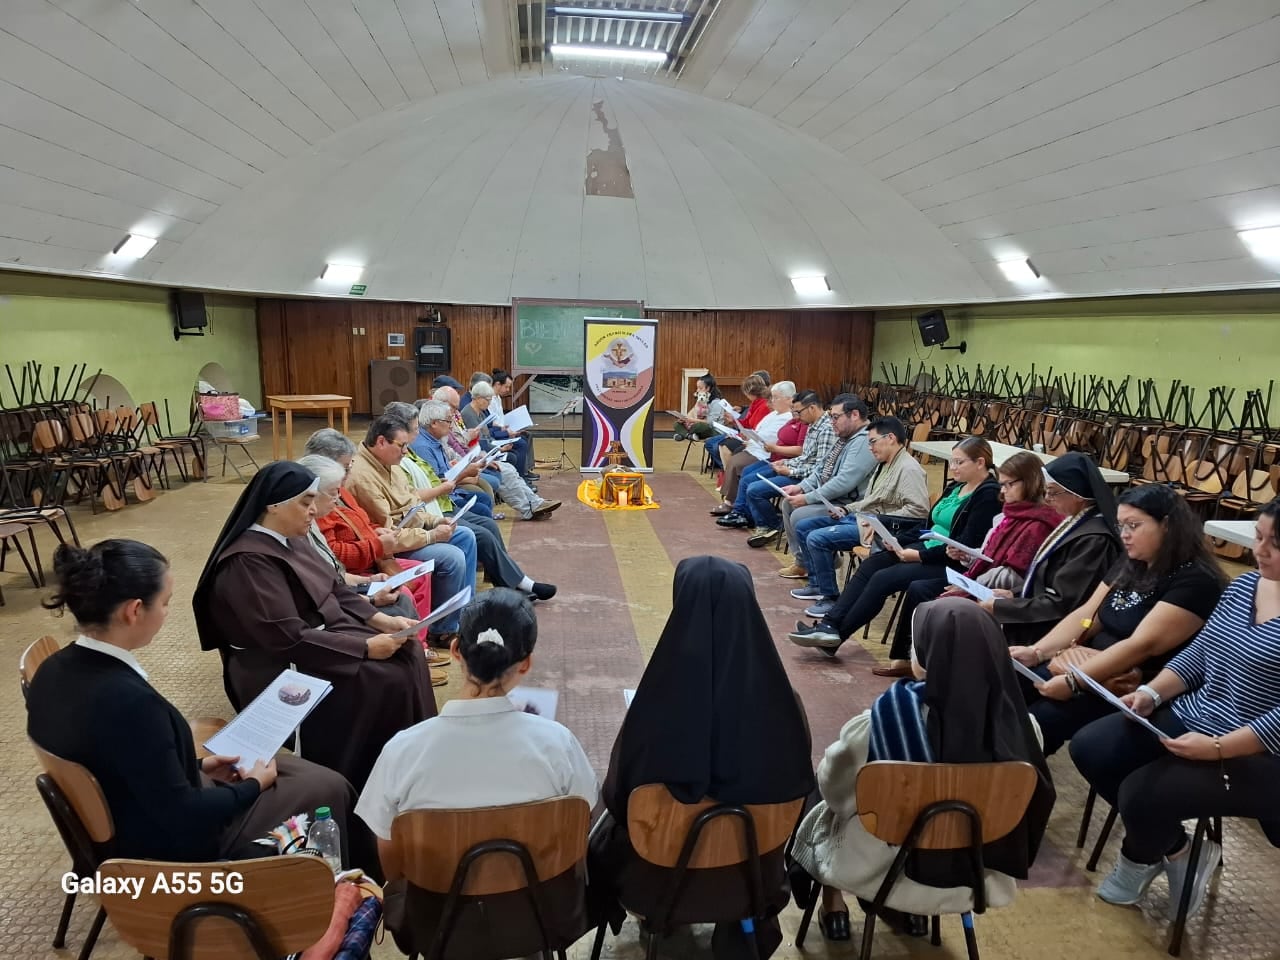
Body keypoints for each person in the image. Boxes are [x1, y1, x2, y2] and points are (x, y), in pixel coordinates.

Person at [27, 539, 363, 865]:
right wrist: (251, 786)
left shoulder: (52, 670)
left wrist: (197, 766)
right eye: (165, 602)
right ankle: (338, 894)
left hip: (131, 813)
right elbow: (186, 814)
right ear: (133, 610)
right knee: (329, 788)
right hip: (171, 845)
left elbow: (120, 761)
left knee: (295, 770)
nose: (167, 612)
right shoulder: (128, 703)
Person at [589, 556, 815, 960]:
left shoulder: (654, 706)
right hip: (752, 877)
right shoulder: (784, 704)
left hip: (655, 879)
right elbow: (799, 791)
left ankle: (660, 919)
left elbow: (621, 798)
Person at [790, 599, 1054, 938]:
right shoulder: (1024, 727)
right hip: (973, 874)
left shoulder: (879, 722)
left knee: (822, 789)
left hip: (878, 870)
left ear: (927, 658)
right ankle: (906, 914)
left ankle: (834, 904)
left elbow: (838, 796)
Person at [1070, 497, 1280, 920]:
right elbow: (1202, 652)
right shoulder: (1246, 586)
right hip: (1199, 714)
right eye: (1258, 537)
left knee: (1142, 792)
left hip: (1259, 749)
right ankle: (1178, 850)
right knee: (1093, 747)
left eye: (1274, 544)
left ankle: (1137, 858)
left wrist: (1219, 747)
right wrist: (1152, 693)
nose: (1258, 550)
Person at [357, 588, 597, 952]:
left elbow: (394, 865)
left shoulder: (403, 750)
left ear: (456, 650)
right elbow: (581, 828)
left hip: (436, 921)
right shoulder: (557, 743)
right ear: (526, 662)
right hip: (540, 915)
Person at [193, 462, 435, 791]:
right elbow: (284, 636)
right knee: (387, 677)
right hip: (276, 663)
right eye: (305, 503)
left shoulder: (292, 538)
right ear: (274, 505)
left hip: (319, 637)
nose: (312, 512)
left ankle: (411, 763)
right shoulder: (247, 561)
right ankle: (366, 777)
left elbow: (334, 587)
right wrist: (364, 647)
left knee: (406, 652)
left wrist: (380, 619)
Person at [1015, 484, 1226, 755]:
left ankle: (1018, 783)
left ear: (1167, 525)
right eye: (1121, 526)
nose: (1124, 535)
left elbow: (1141, 645)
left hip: (1130, 685)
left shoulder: (1196, 581)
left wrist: (1073, 682)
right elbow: (1087, 615)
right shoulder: (1133, 561)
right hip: (1087, 665)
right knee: (1008, 685)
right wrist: (1037, 651)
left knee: (1038, 721)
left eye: (1134, 526)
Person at [869, 451, 1062, 672]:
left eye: (1008, 485)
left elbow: (1016, 574)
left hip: (1002, 592)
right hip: (979, 578)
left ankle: (928, 667)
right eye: (1001, 485)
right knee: (898, 578)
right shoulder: (1009, 514)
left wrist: (969, 582)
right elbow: (988, 553)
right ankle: (909, 661)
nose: (1002, 491)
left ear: (1029, 482)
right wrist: (967, 555)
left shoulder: (1037, 523)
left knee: (921, 591)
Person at [786, 418, 945, 653]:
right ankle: (829, 625)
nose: (870, 448)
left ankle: (828, 599)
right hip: (866, 519)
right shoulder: (884, 464)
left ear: (890, 438)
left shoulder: (909, 468)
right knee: (805, 525)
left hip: (883, 527)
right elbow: (870, 501)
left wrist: (875, 519)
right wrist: (846, 509)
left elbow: (918, 512)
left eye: (873, 442)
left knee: (818, 538)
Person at [382, 402, 557, 601]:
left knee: (487, 519)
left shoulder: (414, 448)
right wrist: (460, 476)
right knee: (478, 529)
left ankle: (507, 581)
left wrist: (462, 471)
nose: (417, 432)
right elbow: (414, 498)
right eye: (414, 428)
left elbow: (435, 476)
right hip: (432, 511)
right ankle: (511, 584)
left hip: (441, 503)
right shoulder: (415, 448)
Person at [345, 414, 478, 641]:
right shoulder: (362, 477)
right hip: (391, 547)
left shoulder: (391, 464)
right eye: (402, 445)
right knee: (452, 556)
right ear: (381, 442)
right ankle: (443, 630)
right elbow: (389, 532)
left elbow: (412, 506)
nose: (406, 451)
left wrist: (435, 521)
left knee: (465, 535)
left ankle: (461, 614)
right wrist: (430, 536)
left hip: (408, 533)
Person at [983, 452, 1122, 647]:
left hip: (1053, 630)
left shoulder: (1094, 540)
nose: (1047, 498)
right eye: (1046, 491)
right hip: (1040, 613)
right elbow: (1047, 579)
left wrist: (1004, 608)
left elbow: (1064, 602)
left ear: (1078, 494)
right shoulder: (1075, 521)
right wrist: (1015, 593)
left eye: (1053, 492)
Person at [297, 454, 424, 621]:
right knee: (402, 599)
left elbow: (335, 572)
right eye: (345, 467)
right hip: (350, 580)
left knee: (413, 583)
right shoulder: (310, 523)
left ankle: (422, 639)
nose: (349, 473)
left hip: (358, 574)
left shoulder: (315, 520)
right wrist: (371, 599)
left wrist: (367, 579)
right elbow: (329, 579)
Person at [777, 396, 876, 578]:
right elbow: (821, 468)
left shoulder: (864, 441)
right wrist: (801, 487)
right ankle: (804, 561)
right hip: (832, 499)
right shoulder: (845, 437)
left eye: (836, 417)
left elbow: (844, 481)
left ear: (854, 415)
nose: (832, 422)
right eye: (831, 416)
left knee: (800, 514)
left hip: (849, 506)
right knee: (788, 504)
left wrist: (807, 497)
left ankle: (817, 566)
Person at [738, 391, 835, 546]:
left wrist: (791, 471)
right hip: (796, 469)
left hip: (804, 479)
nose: (795, 415)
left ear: (812, 408)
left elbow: (820, 469)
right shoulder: (812, 424)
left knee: (755, 490)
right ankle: (766, 523)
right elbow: (806, 457)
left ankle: (772, 526)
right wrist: (785, 463)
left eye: (798, 411)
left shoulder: (826, 429)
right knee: (749, 479)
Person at [710, 381, 802, 516]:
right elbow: (758, 429)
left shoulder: (789, 417)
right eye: (772, 397)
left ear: (789, 399)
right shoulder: (774, 414)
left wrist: (756, 440)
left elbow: (774, 439)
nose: (772, 401)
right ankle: (738, 507)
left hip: (768, 454)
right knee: (735, 460)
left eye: (776, 398)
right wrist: (749, 436)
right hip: (762, 450)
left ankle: (737, 508)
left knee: (739, 466)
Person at [705, 374, 770, 473]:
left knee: (725, 446)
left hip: (753, 440)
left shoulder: (763, 405)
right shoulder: (755, 403)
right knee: (720, 444)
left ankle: (729, 474)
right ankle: (728, 474)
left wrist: (737, 426)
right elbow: (747, 422)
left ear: (748, 391)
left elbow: (756, 428)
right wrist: (734, 421)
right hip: (746, 435)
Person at [491, 369, 539, 480]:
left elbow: (501, 419)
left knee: (527, 435)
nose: (508, 390)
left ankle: (526, 470)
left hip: (503, 429)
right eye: (506, 387)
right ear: (498, 384)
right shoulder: (490, 399)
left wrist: (514, 428)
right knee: (521, 443)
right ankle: (520, 477)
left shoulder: (497, 398)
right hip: (496, 433)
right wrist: (508, 431)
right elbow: (492, 424)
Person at [673, 374, 725, 441]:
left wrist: (692, 420)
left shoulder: (716, 402)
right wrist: (685, 420)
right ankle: (689, 436)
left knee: (699, 426)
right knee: (677, 424)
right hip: (698, 427)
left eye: (700, 388)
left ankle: (683, 434)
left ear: (708, 388)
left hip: (714, 431)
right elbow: (693, 414)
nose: (697, 390)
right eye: (697, 388)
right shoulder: (700, 400)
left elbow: (710, 422)